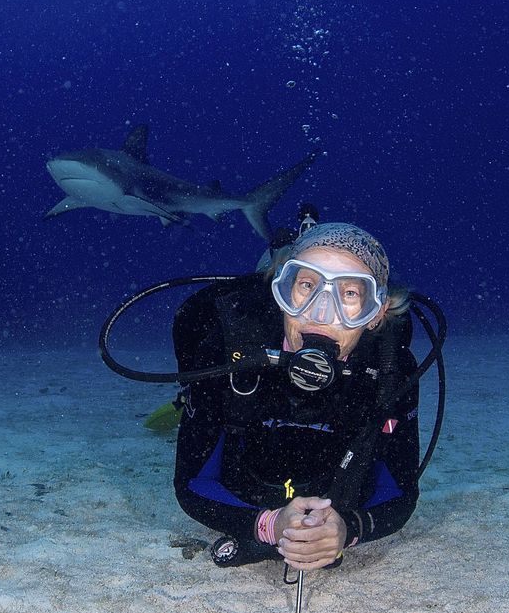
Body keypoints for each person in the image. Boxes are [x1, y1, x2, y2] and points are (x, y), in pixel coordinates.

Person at [171, 222, 420, 570]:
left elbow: (400, 492)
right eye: (306, 285)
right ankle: (184, 403)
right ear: (282, 291)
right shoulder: (229, 352)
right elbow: (192, 484)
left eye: (350, 293)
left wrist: (346, 529)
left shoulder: (390, 371)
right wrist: (269, 525)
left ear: (376, 313)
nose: (320, 314)